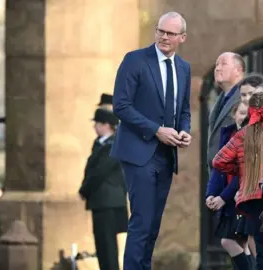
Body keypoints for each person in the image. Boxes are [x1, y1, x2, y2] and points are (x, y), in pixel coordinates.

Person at [110, 12, 192, 270]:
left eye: (170, 33)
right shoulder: (135, 60)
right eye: (160, 31)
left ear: (182, 37)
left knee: (153, 225)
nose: (164, 37)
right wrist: (157, 129)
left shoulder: (184, 68)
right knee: (142, 222)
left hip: (166, 155)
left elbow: (184, 110)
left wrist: (184, 131)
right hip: (138, 151)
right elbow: (120, 105)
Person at [213, 92, 263, 269]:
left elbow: (219, 161)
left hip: (249, 196)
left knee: (259, 244)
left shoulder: (242, 134)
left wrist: (241, 172)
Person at [79, 108, 128, 270]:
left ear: (107, 125)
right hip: (101, 201)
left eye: (97, 123)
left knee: (107, 245)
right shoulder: (101, 143)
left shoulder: (115, 143)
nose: (95, 127)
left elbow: (100, 171)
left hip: (109, 202)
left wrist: (84, 190)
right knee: (102, 244)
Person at [206, 101, 252, 269]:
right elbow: (218, 167)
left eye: (247, 113)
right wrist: (210, 194)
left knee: (231, 241)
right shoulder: (228, 133)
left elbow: (244, 172)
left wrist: (223, 197)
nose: (244, 116)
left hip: (240, 196)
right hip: (227, 195)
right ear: (234, 114)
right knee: (240, 243)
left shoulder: (250, 136)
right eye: (241, 113)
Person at [208, 52, 246, 170]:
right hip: (217, 172)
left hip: (233, 173)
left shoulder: (245, 97)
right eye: (216, 65)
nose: (218, 68)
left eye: (223, 64)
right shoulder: (221, 98)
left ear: (238, 70)